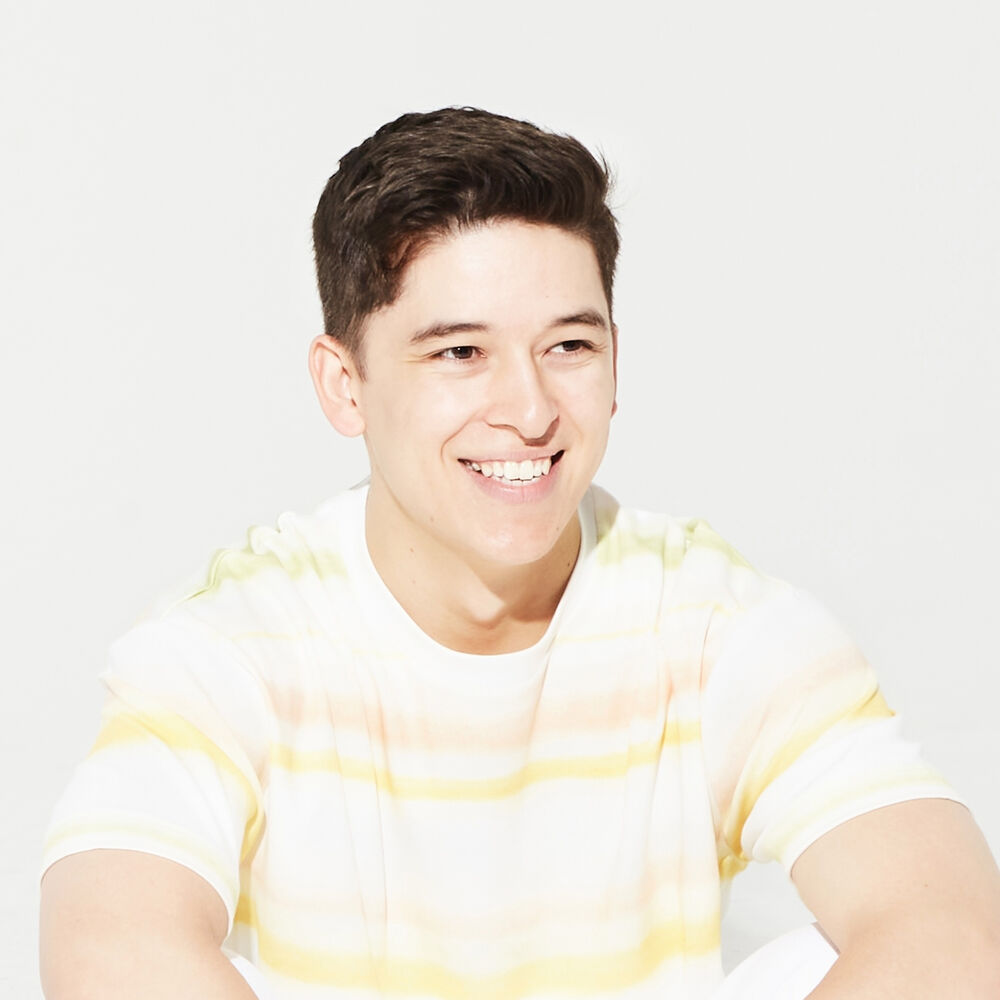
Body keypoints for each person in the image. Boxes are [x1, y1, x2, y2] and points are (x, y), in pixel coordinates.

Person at [39, 108, 1000, 1000]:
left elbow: (954, 929)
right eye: (460, 353)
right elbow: (108, 950)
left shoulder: (712, 624)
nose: (531, 411)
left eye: (569, 346)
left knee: (834, 953)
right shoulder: (236, 643)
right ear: (345, 385)